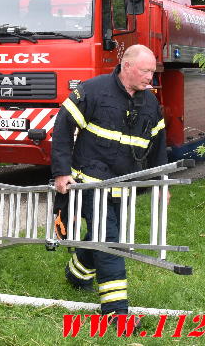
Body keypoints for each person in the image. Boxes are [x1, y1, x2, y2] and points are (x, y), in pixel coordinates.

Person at [50, 44, 167, 316]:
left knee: (100, 234)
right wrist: (61, 172)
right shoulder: (92, 91)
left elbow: (158, 144)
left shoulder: (150, 102)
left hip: (124, 186)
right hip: (90, 183)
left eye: (153, 71)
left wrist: (162, 181)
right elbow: (63, 127)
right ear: (127, 66)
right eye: (146, 70)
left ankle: (77, 274)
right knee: (109, 239)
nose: (151, 77)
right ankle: (116, 311)